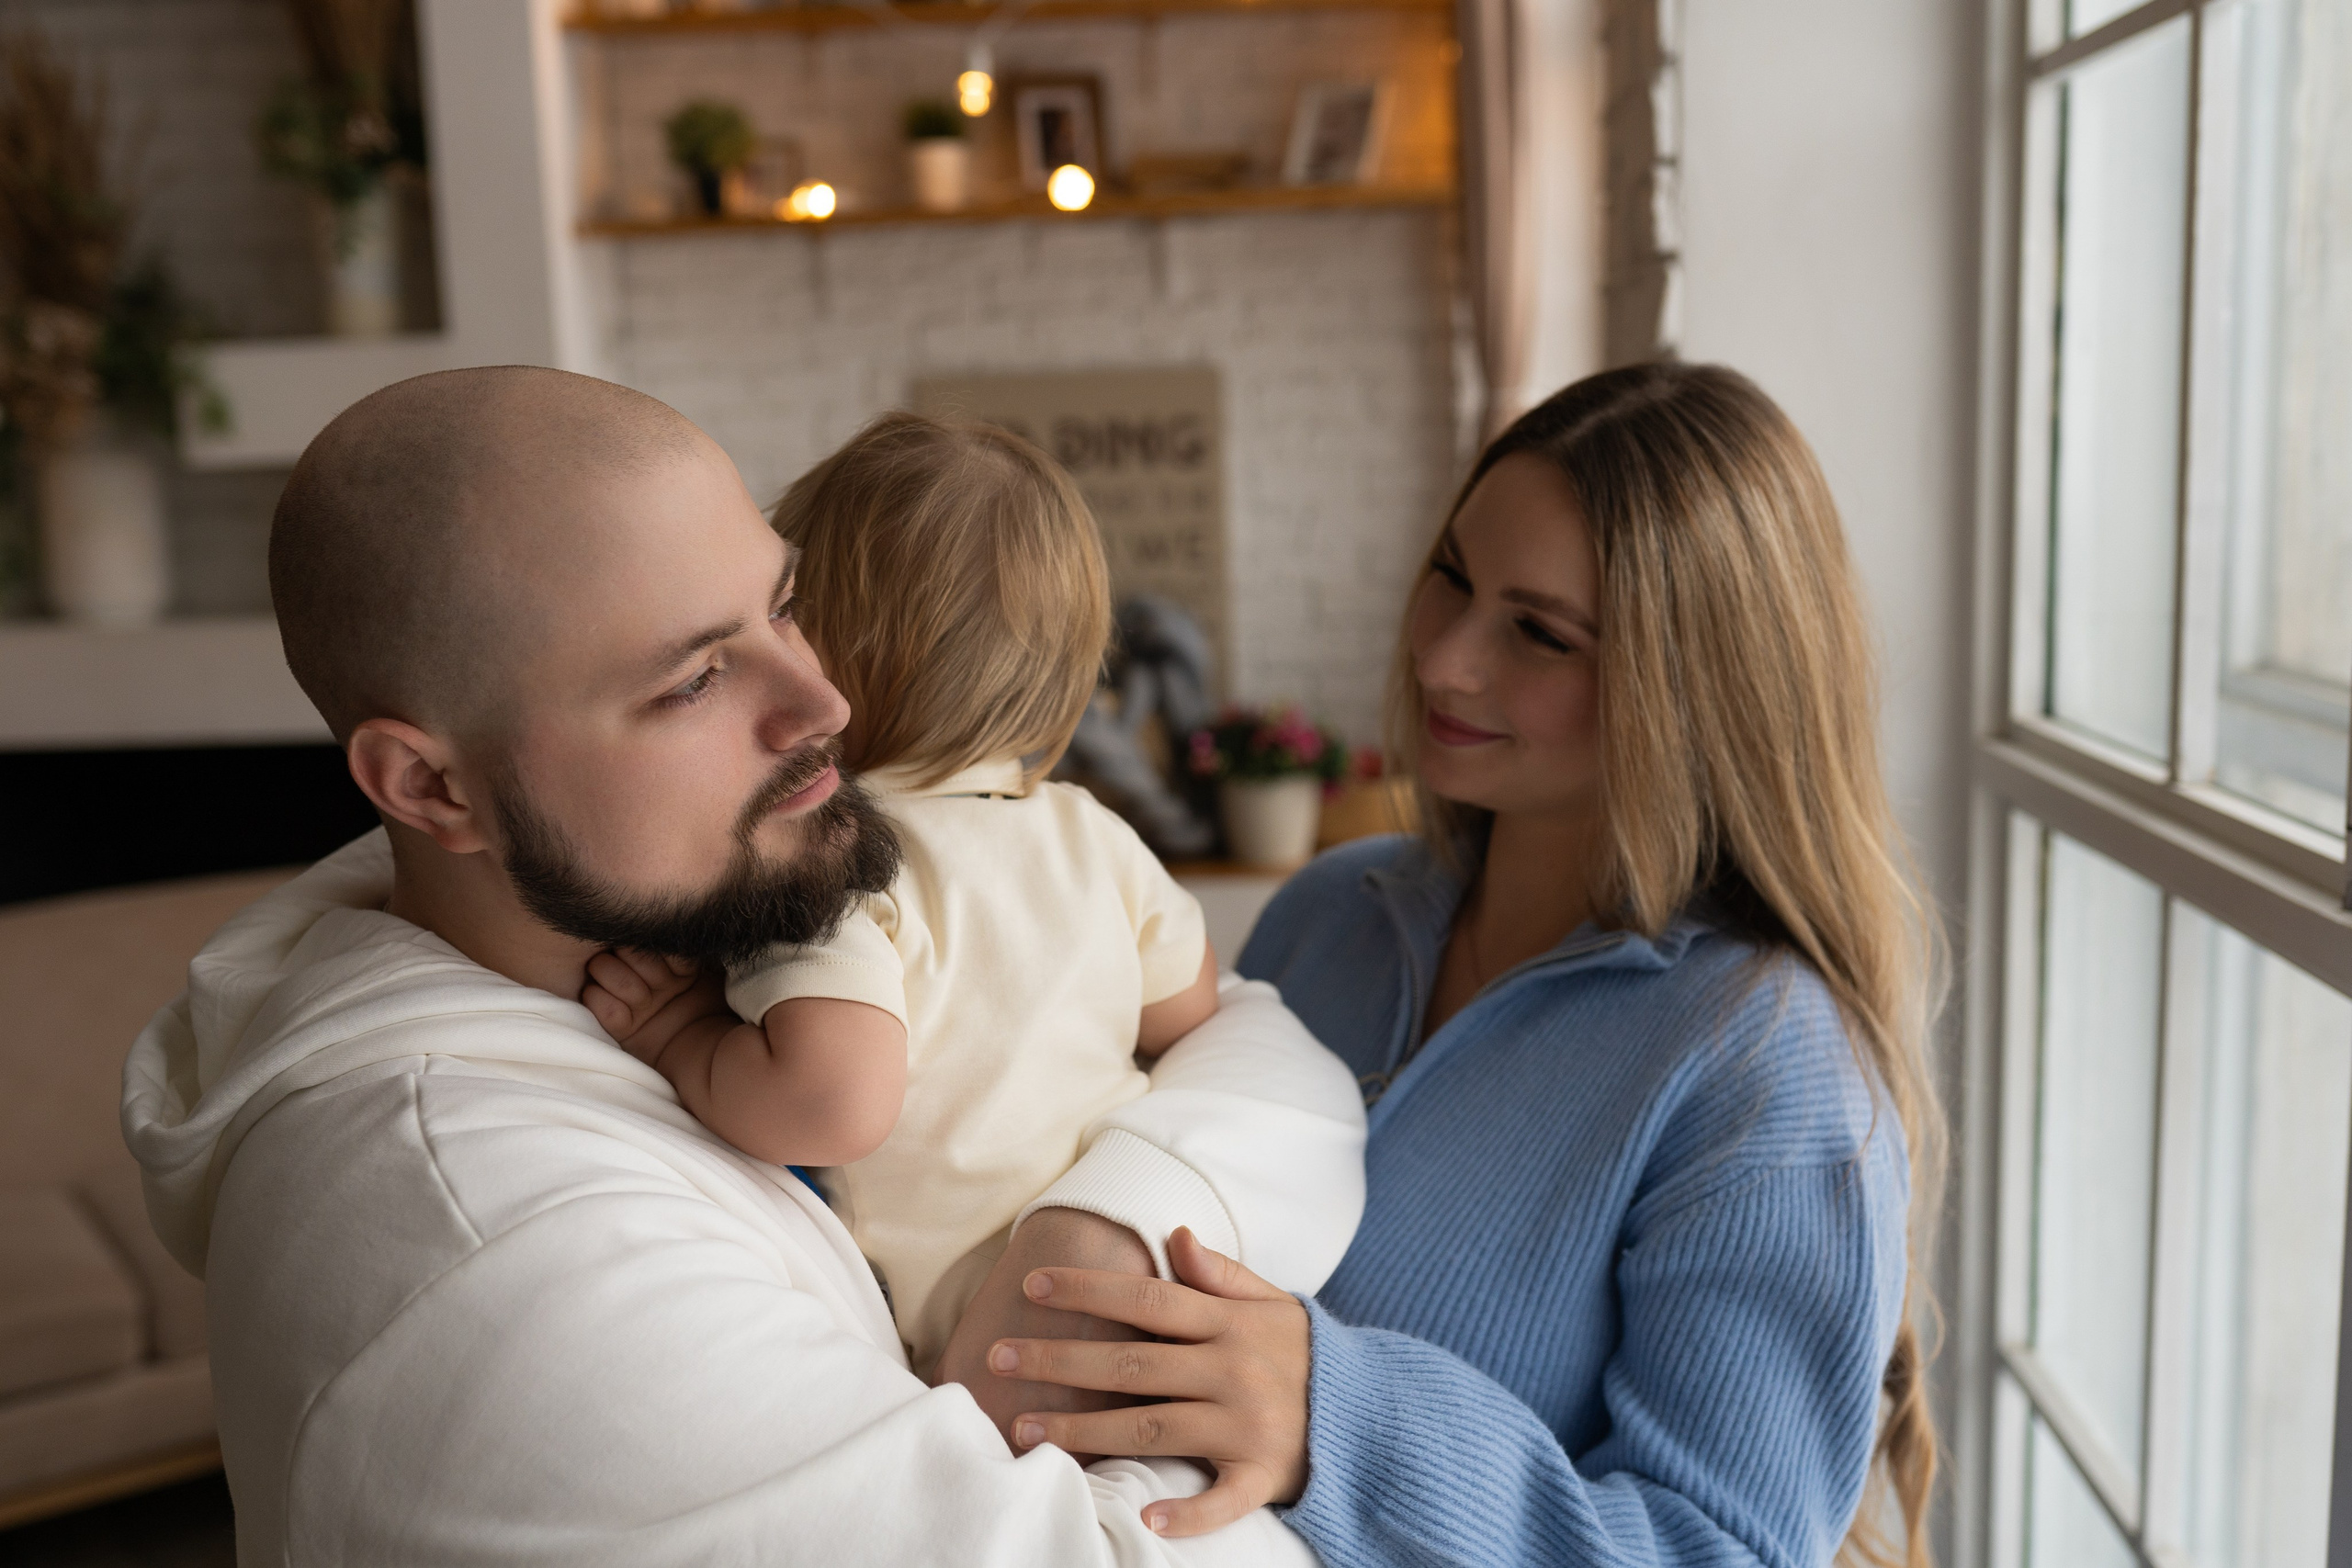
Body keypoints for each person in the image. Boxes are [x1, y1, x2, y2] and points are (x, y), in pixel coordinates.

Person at [119, 367, 1363, 1564]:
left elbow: (1232, 1020)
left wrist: (1106, 1230)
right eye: (696, 678)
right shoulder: (506, 1253)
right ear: (432, 787)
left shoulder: (652, 925)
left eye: (787, 604)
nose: (824, 702)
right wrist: (1279, 1406)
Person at [981, 363, 1943, 1566]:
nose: (1444, 660)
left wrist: (1340, 1420)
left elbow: (1722, 1550)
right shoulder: (1332, 910)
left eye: (1538, 632)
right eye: (1451, 575)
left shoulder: (1768, 1069)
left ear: (1696, 684)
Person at [585, 412, 1274, 1438]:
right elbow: (1188, 1012)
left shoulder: (826, 852)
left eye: (785, 615)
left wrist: (679, 1035)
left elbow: (830, 1101)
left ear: (829, 651)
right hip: (1142, 1282)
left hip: (985, 1338)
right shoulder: (1091, 832)